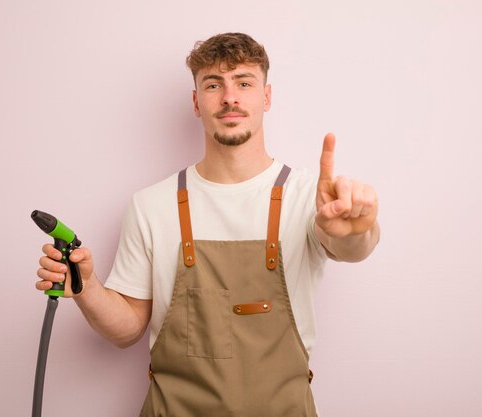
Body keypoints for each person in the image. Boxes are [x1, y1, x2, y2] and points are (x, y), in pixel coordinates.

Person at [36, 32, 379, 416]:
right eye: (213, 85)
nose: (230, 97)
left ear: (266, 97)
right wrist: (87, 287)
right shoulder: (152, 205)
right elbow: (127, 329)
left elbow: (352, 247)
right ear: (196, 101)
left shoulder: (309, 197)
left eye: (244, 83)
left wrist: (357, 231)